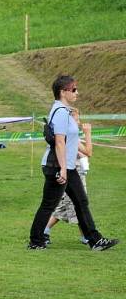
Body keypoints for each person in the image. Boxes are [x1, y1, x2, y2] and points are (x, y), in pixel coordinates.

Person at [27, 76, 119, 251]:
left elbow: (70, 142)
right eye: (74, 89)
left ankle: (95, 240)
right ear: (63, 92)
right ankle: (36, 241)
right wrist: (62, 169)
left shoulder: (65, 111)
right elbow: (60, 142)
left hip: (67, 166)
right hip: (58, 166)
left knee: (81, 201)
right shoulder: (60, 112)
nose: (77, 92)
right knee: (49, 204)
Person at [44, 108, 93, 245]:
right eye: (76, 120)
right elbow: (87, 152)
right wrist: (88, 134)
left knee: (64, 207)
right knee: (78, 204)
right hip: (70, 174)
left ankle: (44, 230)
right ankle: (87, 235)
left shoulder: (72, 137)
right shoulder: (66, 137)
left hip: (74, 174)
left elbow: (85, 152)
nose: (78, 123)